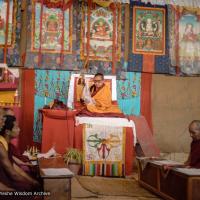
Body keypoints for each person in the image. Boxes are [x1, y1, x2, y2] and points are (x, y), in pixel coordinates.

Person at [0, 114, 40, 191]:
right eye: (1, 120)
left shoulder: (6, 144)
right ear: (7, 132)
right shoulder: (2, 145)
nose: (3, 123)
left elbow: (13, 165)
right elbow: (13, 174)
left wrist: (32, 182)